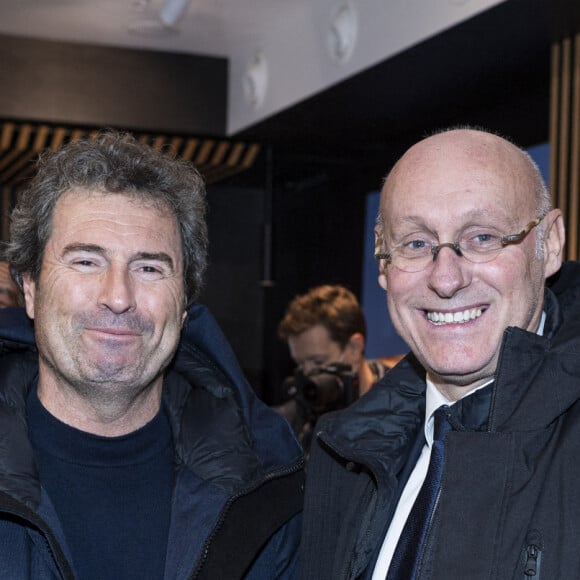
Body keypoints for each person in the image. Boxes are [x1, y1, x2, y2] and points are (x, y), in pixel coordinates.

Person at [0, 131, 303, 579]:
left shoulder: (267, 481)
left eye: (149, 268)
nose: (118, 297)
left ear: (183, 305)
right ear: (30, 288)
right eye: (86, 261)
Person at [298, 127, 580, 579]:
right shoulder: (342, 457)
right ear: (384, 266)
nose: (445, 279)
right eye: (415, 243)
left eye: (483, 237)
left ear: (549, 245)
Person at [276, 284, 397, 450]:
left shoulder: (400, 402)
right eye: (300, 364)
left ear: (354, 348)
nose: (307, 376)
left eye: (318, 362)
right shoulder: (297, 420)